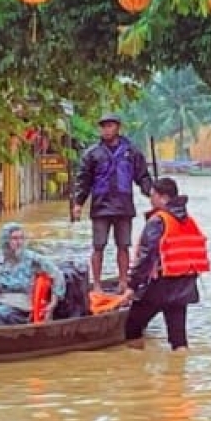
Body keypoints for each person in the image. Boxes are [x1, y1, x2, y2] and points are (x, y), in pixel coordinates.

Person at [71, 114, 154, 293]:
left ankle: (123, 282)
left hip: (123, 206)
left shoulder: (131, 152)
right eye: (104, 127)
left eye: (110, 126)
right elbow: (83, 181)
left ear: (118, 128)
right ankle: (97, 285)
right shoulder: (92, 154)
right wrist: (78, 203)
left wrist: (152, 194)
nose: (106, 130)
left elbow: (142, 176)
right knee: (98, 246)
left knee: (123, 245)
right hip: (101, 206)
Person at [125, 178, 210, 351]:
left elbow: (146, 257)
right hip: (184, 284)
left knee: (132, 326)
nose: (150, 200)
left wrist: (132, 286)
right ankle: (180, 367)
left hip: (161, 285)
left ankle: (135, 364)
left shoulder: (158, 220)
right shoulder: (188, 220)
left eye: (153, 196)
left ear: (163, 198)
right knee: (178, 339)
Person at [0, 223, 65, 325]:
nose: (19, 242)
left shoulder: (32, 259)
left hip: (21, 308)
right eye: (14, 238)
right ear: (5, 240)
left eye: (21, 238)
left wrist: (53, 303)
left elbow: (57, 275)